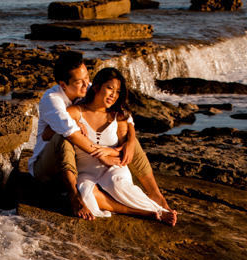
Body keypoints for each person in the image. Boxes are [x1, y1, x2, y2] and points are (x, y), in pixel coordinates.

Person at [29, 52, 171, 220]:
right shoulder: (52, 99)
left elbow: (125, 116)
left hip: (81, 164)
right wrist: (102, 155)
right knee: (64, 136)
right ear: (63, 84)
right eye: (79, 82)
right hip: (48, 167)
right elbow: (66, 134)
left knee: (127, 141)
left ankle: (155, 194)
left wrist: (131, 142)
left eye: (87, 78)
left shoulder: (90, 88)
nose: (86, 84)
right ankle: (75, 196)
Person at [66, 68, 176, 225]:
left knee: (117, 184)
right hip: (86, 171)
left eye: (117, 92)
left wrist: (109, 152)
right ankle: (148, 212)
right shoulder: (77, 112)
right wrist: (75, 125)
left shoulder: (117, 116)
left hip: (114, 167)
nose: (113, 95)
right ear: (96, 87)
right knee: (84, 195)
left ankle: (158, 208)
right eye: (109, 88)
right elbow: (55, 126)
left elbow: (125, 149)